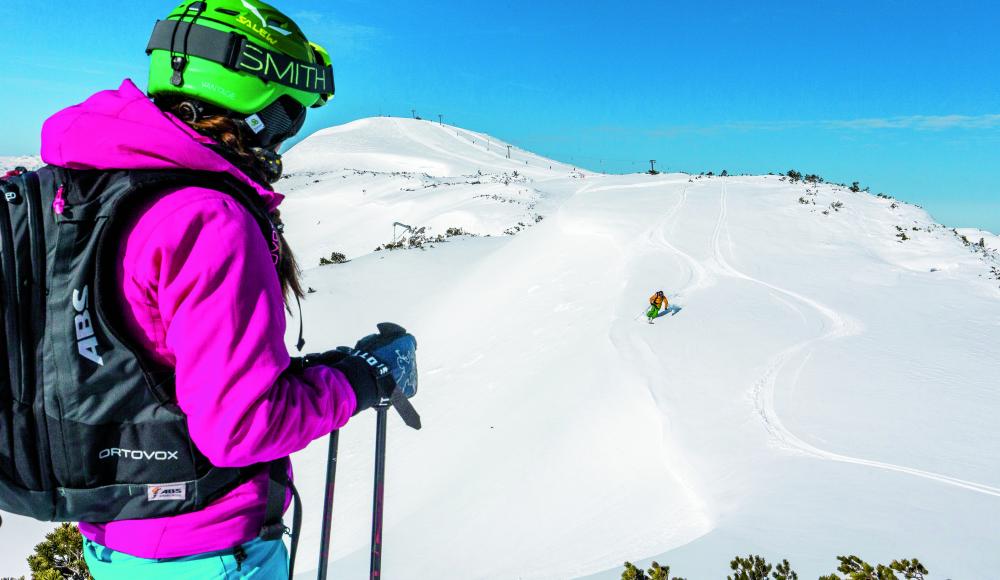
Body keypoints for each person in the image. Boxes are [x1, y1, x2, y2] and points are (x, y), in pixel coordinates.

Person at [35, 1, 415, 577]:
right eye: (289, 113)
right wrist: (360, 382)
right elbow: (241, 428)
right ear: (254, 100)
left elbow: (142, 366)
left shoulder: (81, 193)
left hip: (115, 541)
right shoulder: (206, 218)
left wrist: (320, 371)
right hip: (208, 549)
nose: (288, 135)